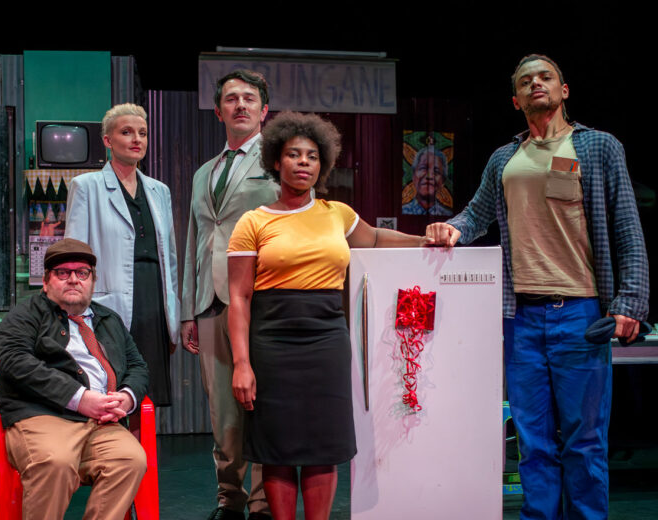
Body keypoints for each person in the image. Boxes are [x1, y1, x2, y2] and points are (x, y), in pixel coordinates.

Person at [426, 54, 649, 519]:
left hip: (581, 313)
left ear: (564, 90)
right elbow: (476, 213)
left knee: (584, 441)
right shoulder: (505, 159)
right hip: (522, 317)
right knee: (532, 441)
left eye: (545, 77)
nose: (536, 84)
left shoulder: (598, 147)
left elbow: (627, 227)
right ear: (515, 100)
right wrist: (452, 228)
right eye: (525, 81)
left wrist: (630, 300)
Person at [228, 111, 427, 520]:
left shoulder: (337, 213)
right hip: (272, 341)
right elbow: (239, 297)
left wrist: (426, 238)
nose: (303, 162)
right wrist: (242, 364)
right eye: (293, 154)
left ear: (323, 164)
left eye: (312, 156)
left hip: (326, 339)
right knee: (278, 447)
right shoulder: (254, 221)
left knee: (324, 445)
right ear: (276, 161)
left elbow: (375, 239)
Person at [0, 238, 149, 520]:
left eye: (82, 273)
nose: (73, 279)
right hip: (42, 416)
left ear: (92, 281)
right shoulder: (25, 316)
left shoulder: (109, 320)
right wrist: (79, 398)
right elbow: (14, 360)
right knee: (56, 462)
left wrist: (126, 398)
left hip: (101, 423)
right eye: (63, 273)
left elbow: (137, 366)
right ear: (46, 282)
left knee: (130, 460)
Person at [181, 69, 278, 520]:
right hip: (210, 304)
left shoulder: (279, 161)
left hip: (261, 300)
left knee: (262, 403)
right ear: (218, 111)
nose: (240, 104)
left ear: (264, 110)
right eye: (231, 98)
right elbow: (195, 241)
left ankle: (262, 502)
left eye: (249, 98)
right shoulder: (205, 172)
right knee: (222, 410)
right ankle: (230, 498)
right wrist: (188, 309)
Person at [66, 103, 179, 407]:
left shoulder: (159, 191)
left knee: (149, 391)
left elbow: (169, 258)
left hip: (153, 298)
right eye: (127, 132)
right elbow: (74, 254)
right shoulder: (86, 186)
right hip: (108, 300)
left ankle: (146, 441)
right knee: (112, 384)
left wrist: (174, 313)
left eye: (142, 133)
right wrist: (76, 308)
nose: (136, 139)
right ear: (108, 140)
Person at [401, 146, 453, 216]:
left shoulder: (448, 215)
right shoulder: (403, 211)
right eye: (423, 168)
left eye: (436, 171)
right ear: (413, 175)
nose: (429, 176)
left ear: (443, 181)